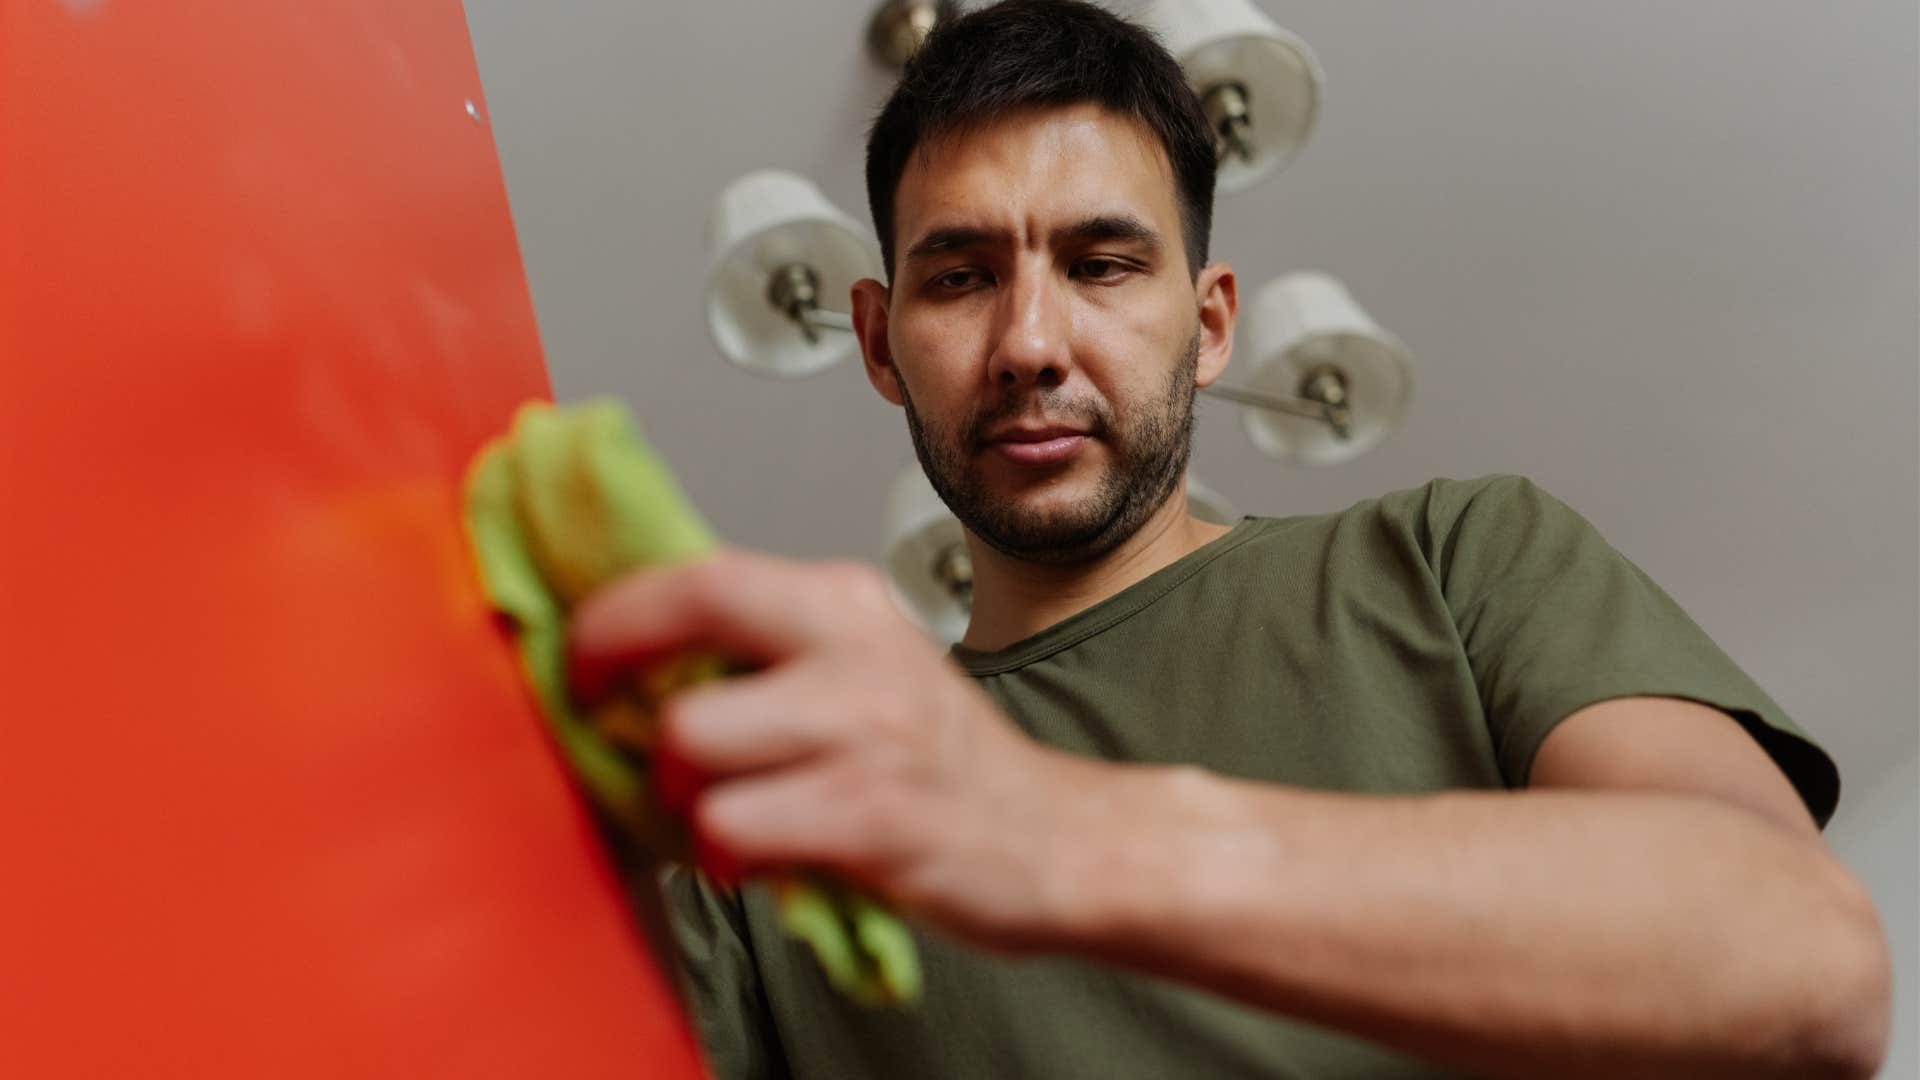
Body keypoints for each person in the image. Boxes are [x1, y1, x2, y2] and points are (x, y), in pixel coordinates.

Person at [567, 2, 1892, 1076]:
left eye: (1102, 265)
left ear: (1209, 327)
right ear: (875, 340)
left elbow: (1802, 961)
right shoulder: (778, 819)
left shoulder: (1457, 558)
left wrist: (1045, 830)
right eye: (962, 277)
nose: (1029, 344)